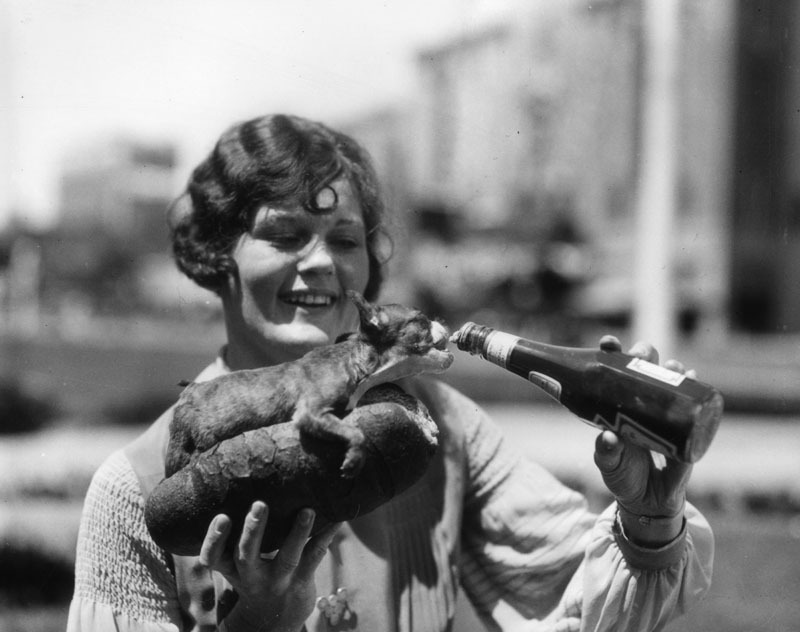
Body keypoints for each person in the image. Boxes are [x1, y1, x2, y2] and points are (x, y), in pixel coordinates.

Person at [67, 113, 713, 632]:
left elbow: (584, 602)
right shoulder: (133, 489)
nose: (321, 262)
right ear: (218, 257)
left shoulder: (444, 431)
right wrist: (258, 623)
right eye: (285, 234)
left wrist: (648, 518)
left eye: (345, 240)